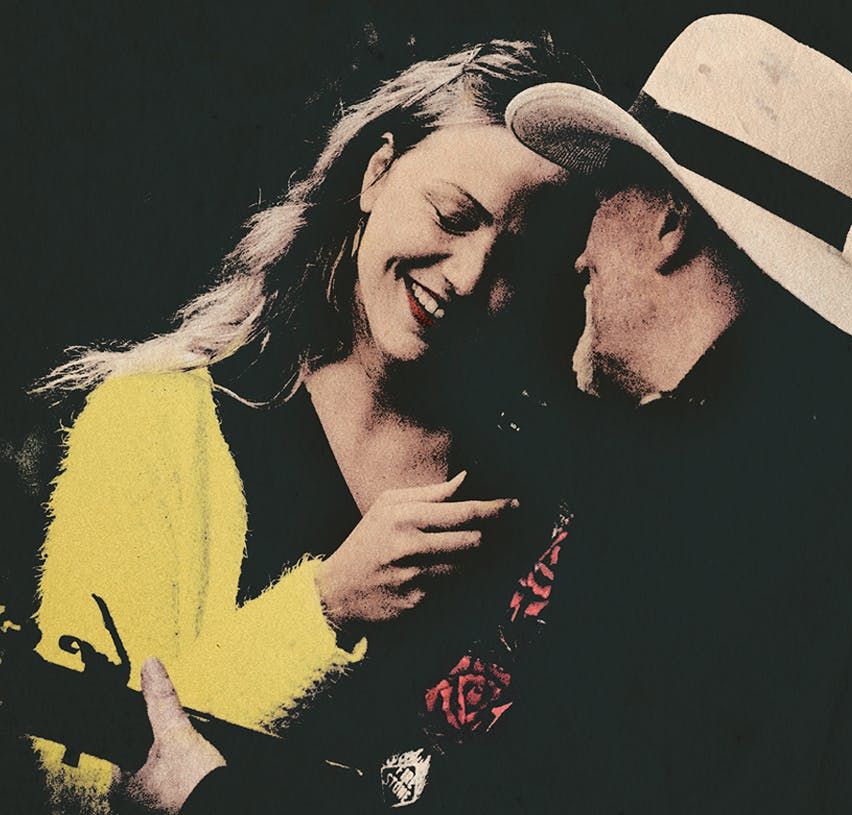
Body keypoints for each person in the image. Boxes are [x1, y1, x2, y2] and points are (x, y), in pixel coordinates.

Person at [30, 38, 597, 814]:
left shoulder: (530, 495)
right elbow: (76, 778)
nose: (468, 277)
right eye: (453, 215)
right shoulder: (152, 425)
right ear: (377, 172)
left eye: (516, 262)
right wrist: (324, 607)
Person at [493, 14, 852, 814]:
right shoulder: (755, 469)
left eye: (607, 193)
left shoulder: (685, 521)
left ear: (670, 223)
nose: (580, 253)